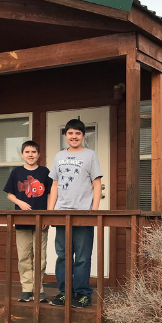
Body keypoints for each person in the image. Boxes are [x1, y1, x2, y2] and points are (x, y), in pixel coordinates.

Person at [47, 119, 102, 308]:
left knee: (82, 256)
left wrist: (94, 211)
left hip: (83, 214)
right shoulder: (59, 156)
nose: (74, 136)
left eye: (78, 133)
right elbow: (54, 185)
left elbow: (97, 184)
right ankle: (64, 293)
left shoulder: (90, 155)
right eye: (70, 133)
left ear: (83, 136)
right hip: (62, 213)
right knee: (63, 255)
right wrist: (50, 212)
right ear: (65, 135)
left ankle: (82, 293)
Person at [3, 140, 51, 303]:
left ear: (39, 154)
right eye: (27, 152)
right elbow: (9, 194)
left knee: (40, 256)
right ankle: (26, 289)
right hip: (22, 220)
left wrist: (48, 215)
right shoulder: (16, 172)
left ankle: (39, 289)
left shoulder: (45, 172)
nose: (31, 155)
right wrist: (20, 203)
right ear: (22, 154)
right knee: (23, 255)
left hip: (41, 221)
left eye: (34, 152)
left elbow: (51, 194)